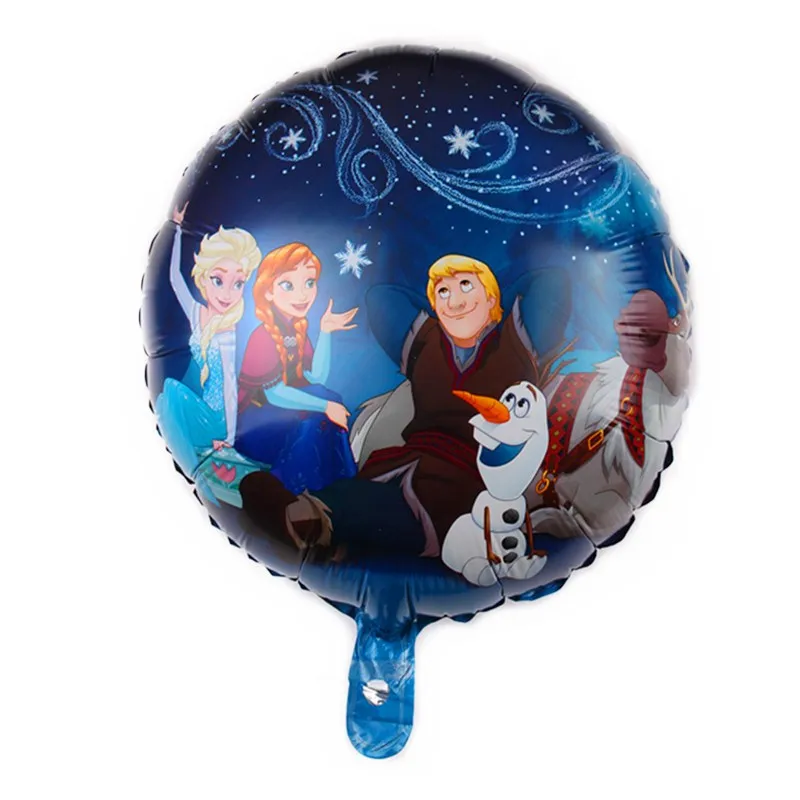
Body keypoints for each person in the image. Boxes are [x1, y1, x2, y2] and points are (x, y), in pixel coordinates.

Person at [238, 253, 572, 559]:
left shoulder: (517, 342)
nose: (454, 300)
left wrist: (492, 304)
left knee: (396, 512)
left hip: (466, 474)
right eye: (443, 292)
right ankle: (305, 519)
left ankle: (312, 526)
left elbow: (553, 282)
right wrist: (443, 313)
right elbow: (381, 298)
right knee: (351, 492)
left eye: (466, 286)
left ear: (492, 296)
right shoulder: (426, 343)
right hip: (407, 459)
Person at [234, 242, 359, 493]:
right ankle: (295, 485)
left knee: (328, 397)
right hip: (256, 426)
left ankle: (339, 482)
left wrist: (325, 332)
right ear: (268, 291)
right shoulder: (262, 336)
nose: (302, 295)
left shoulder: (296, 330)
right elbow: (274, 394)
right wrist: (326, 407)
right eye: (288, 285)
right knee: (320, 411)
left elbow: (316, 377)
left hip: (284, 413)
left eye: (309, 283)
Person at [155, 204, 261, 500]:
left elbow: (229, 384)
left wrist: (230, 435)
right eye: (218, 280)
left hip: (218, 417)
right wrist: (176, 231)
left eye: (238, 284)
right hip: (203, 407)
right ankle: (204, 477)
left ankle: (209, 478)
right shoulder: (197, 313)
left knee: (171, 393)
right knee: (167, 395)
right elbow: (175, 279)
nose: (227, 294)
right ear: (203, 278)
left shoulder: (227, 332)